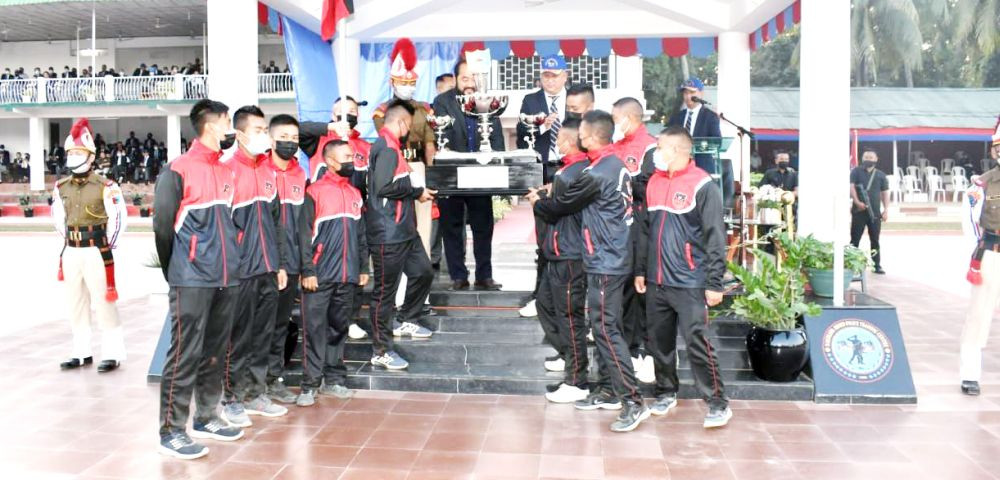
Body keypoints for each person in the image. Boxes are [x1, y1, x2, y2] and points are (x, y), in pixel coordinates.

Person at [531, 110, 649, 433]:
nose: (577, 135)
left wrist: (540, 200)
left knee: (606, 330)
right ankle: (611, 390)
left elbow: (561, 204)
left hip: (605, 261)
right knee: (606, 328)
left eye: (581, 131)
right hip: (610, 258)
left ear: (592, 136)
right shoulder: (613, 165)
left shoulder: (598, 173)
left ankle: (633, 400)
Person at [153, 99, 245, 459]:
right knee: (184, 354)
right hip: (190, 278)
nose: (231, 129)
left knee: (215, 351)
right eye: (227, 121)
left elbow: (230, 225)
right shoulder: (178, 169)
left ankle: (207, 416)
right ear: (212, 125)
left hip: (226, 276)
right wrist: (176, 270)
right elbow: (163, 228)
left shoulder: (225, 171)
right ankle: (172, 430)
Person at [635, 126, 732, 429]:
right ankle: (666, 392)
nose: (654, 155)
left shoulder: (703, 186)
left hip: (691, 281)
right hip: (656, 281)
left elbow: (717, 238)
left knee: (697, 343)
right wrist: (641, 269)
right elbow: (644, 230)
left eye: (659, 148)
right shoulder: (653, 182)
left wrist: (715, 282)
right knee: (659, 343)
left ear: (676, 150)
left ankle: (717, 403)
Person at [220, 105, 290, 427]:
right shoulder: (226, 171)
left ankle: (256, 392)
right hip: (240, 272)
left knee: (263, 334)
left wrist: (278, 264)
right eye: (260, 130)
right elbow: (221, 228)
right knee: (238, 336)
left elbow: (275, 224)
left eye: (265, 130)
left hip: (267, 268)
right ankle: (230, 397)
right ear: (240, 134)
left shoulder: (267, 172)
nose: (265, 136)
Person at [52, 117, 127, 373]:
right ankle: (81, 352)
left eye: (79, 152)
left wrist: (107, 245)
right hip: (71, 251)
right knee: (76, 303)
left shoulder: (106, 186)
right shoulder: (61, 187)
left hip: (96, 249)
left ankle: (112, 353)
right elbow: (58, 218)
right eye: (71, 152)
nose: (73, 156)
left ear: (91, 155)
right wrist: (69, 240)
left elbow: (118, 219)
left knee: (104, 302)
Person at [296, 140, 368, 405]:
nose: (353, 160)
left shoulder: (355, 194)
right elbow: (303, 237)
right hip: (319, 276)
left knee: (339, 329)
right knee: (314, 330)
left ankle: (334, 380)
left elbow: (361, 235)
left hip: (347, 276)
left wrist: (362, 267)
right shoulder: (313, 192)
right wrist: (308, 270)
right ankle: (309, 385)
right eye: (347, 156)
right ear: (331, 161)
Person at [366, 100, 436, 370]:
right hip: (388, 233)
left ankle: (406, 317)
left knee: (423, 272)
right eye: (410, 124)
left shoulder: (393, 147)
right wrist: (415, 190)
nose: (411, 129)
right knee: (384, 293)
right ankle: (380, 350)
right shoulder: (386, 148)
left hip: (404, 230)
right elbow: (383, 187)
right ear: (401, 123)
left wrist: (415, 191)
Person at [528, 119, 590, 403]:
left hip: (569, 253)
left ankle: (577, 379)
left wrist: (538, 203)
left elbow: (555, 210)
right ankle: (568, 356)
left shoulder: (574, 172)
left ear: (566, 142)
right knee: (545, 304)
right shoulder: (569, 170)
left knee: (569, 316)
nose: (558, 144)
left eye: (560, 140)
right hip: (558, 251)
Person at [432, 57, 505, 291]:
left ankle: (485, 275)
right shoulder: (442, 102)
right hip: (452, 173)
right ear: (455, 80)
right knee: (451, 225)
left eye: (475, 77)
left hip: (482, 174)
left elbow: (497, 135)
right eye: (465, 77)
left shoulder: (489, 101)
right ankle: (458, 275)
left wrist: (499, 164)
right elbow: (441, 136)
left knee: (483, 225)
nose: (470, 82)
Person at [515, 55, 569, 319]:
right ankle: (541, 293)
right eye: (546, 75)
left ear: (565, 76)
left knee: (569, 230)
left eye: (555, 75)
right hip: (543, 168)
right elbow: (521, 133)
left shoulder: (576, 99)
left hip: (570, 169)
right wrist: (539, 128)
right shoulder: (531, 100)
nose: (550, 79)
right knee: (544, 233)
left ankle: (566, 292)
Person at [611, 96, 658, 384]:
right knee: (626, 291)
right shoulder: (615, 147)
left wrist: (627, 182)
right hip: (617, 231)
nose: (615, 124)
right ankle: (628, 348)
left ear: (631, 118)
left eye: (617, 119)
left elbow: (649, 188)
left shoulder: (650, 147)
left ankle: (647, 351)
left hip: (642, 229)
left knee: (642, 290)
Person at [263, 114, 308, 404]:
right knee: (259, 327)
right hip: (264, 264)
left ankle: (272, 380)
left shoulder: (299, 174)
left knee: (280, 325)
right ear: (270, 138)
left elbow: (303, 226)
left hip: (291, 265)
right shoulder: (259, 171)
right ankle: (249, 384)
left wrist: (304, 265)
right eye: (284, 137)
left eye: (295, 139)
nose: (290, 143)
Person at [958, 117, 1000, 396]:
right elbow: (970, 225)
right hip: (992, 254)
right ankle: (970, 374)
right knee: (979, 316)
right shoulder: (981, 187)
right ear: (995, 152)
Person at [667, 77, 733, 207]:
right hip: (679, 169)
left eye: (692, 92)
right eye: (685, 93)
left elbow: (717, 142)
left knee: (702, 204)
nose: (688, 96)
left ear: (701, 94)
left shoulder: (710, 116)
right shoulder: (677, 117)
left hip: (702, 168)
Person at [373, 38, 437, 165]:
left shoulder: (425, 109)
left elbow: (430, 145)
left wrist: (431, 173)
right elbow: (388, 142)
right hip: (394, 164)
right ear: (391, 82)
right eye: (403, 83)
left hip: (420, 164)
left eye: (411, 83)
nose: (408, 87)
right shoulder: (382, 112)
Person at [300, 96, 371, 184]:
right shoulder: (319, 140)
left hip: (356, 197)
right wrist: (330, 127)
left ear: (357, 115)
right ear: (333, 116)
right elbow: (297, 129)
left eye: (352, 111)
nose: (347, 115)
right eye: (342, 111)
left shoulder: (366, 147)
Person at [849, 149, 889, 275]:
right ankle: (851, 264)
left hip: (875, 213)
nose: (868, 159)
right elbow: (851, 187)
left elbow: (885, 193)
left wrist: (886, 210)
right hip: (858, 211)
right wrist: (856, 202)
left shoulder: (881, 175)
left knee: (875, 240)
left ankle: (876, 265)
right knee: (855, 239)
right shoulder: (856, 171)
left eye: (871, 157)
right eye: (866, 157)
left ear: (876, 159)